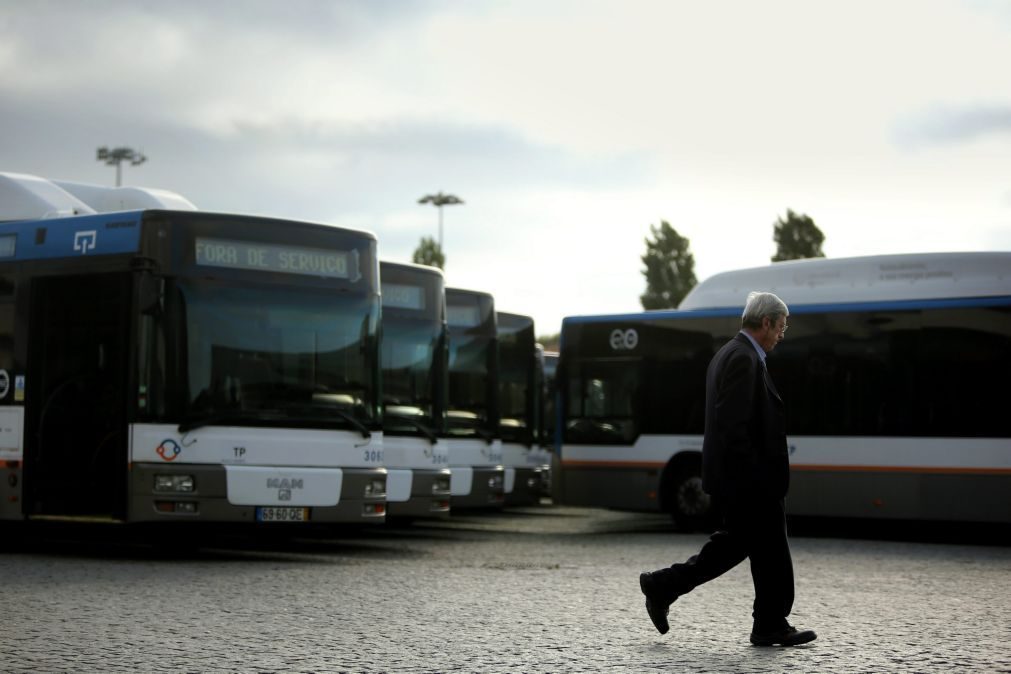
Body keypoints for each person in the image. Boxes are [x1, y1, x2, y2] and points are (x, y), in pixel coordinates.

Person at [638, 291, 817, 647]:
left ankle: (765, 621)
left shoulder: (734, 353)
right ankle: (767, 622)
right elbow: (733, 427)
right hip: (749, 481)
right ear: (765, 322)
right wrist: (758, 479)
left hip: (743, 479)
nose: (783, 333)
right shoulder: (743, 357)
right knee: (764, 549)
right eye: (781, 326)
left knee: (744, 547)